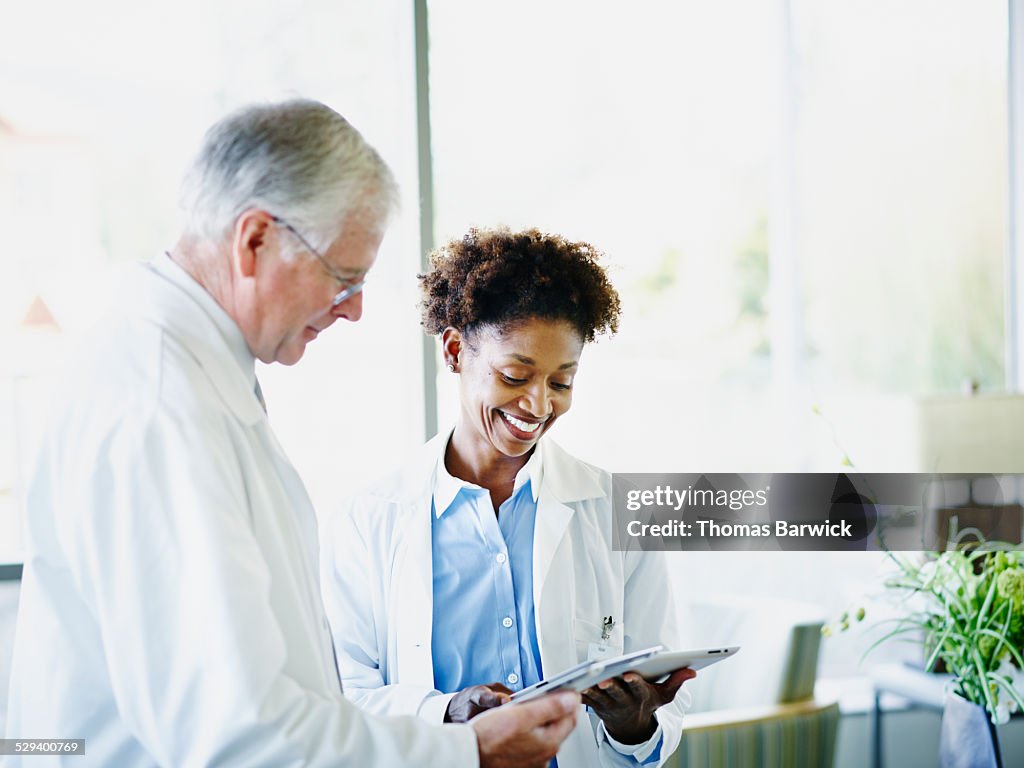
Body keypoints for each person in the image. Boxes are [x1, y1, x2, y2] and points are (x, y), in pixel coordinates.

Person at [4, 101, 579, 767]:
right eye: (344, 278)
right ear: (254, 241)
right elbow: (237, 735)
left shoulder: (192, 377)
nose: (357, 309)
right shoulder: (163, 407)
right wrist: (462, 750)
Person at [321, 227, 694, 768]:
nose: (538, 404)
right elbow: (344, 696)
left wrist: (634, 728)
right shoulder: (368, 520)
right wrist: (447, 710)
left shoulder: (616, 510)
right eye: (515, 374)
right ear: (454, 351)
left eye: (561, 382)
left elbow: (662, 709)